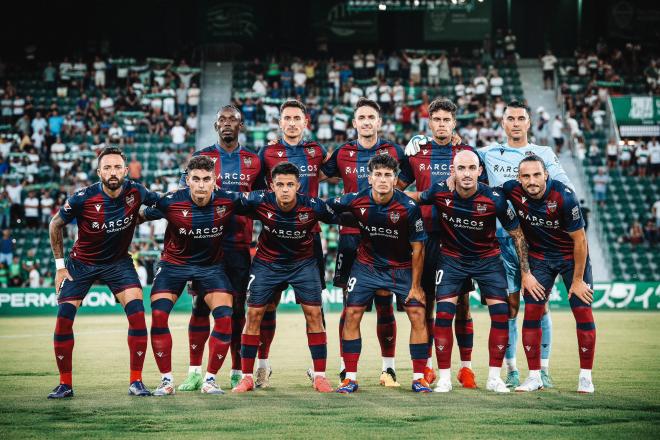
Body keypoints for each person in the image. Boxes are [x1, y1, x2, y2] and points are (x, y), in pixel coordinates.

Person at [406, 100, 573, 389]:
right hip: (493, 238)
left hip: (529, 236)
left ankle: (541, 370)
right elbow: (460, 155)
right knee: (507, 307)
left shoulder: (545, 154)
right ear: (503, 122)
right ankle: (510, 370)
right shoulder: (488, 152)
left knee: (538, 304)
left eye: (522, 118)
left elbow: (562, 189)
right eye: (511, 118)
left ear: (529, 122)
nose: (516, 123)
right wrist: (423, 140)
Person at [408, 150, 541, 393]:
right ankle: (445, 378)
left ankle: (494, 378)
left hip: (488, 261)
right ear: (453, 171)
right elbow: (415, 196)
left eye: (471, 168)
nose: (467, 173)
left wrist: (525, 273)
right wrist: (381, 192)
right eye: (461, 168)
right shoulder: (440, 191)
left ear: (480, 171)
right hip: (451, 260)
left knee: (501, 315)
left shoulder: (495, 199)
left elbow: (518, 234)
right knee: (444, 315)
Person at [47, 146, 160, 399]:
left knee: (138, 316)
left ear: (126, 170)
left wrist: (144, 215)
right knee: (64, 318)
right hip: (80, 264)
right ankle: (65, 384)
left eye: (117, 167)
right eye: (107, 167)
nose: (112, 172)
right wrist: (59, 267)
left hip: (118, 263)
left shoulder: (136, 191)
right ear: (99, 172)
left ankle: (136, 382)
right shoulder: (81, 198)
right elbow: (55, 224)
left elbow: (163, 204)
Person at [320, 97, 414, 386]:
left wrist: (387, 200)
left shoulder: (394, 151)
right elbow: (321, 171)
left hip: (386, 237)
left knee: (385, 305)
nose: (366, 122)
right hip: (351, 239)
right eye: (361, 117)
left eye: (371, 117)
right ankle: (345, 368)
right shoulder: (343, 153)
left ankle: (388, 368)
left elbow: (409, 174)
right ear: (354, 123)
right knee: (351, 306)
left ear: (379, 122)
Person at [175, 105, 264, 391]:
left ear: (241, 126)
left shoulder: (254, 160)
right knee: (200, 306)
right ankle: (194, 371)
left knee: (238, 310)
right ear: (215, 126)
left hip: (239, 246)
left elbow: (262, 200)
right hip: (205, 246)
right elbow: (184, 197)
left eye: (233, 120)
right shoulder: (202, 159)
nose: (227, 124)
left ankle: (237, 370)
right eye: (222, 120)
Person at [141, 155, 246, 395]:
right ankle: (166, 381)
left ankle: (210, 380)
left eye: (206, 179)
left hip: (210, 267)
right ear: (187, 180)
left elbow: (262, 206)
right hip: (172, 266)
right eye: (196, 179)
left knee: (224, 316)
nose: (201, 184)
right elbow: (137, 217)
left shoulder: (227, 200)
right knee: (158, 315)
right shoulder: (170, 201)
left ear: (215, 180)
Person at [327, 154, 430, 394]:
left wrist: (416, 286)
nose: (383, 179)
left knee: (417, 313)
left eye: (388, 175)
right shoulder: (356, 200)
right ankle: (349, 378)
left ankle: (418, 378)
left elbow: (418, 249)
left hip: (401, 267)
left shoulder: (408, 207)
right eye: (378, 175)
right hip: (367, 266)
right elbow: (325, 208)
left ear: (395, 179)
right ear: (370, 178)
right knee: (352, 313)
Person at [232, 163, 339, 394]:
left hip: (303, 264)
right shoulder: (260, 200)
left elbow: (342, 215)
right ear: (272, 186)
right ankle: (247, 377)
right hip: (267, 263)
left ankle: (319, 376)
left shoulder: (312, 206)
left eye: (290, 184)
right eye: (280, 184)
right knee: (254, 314)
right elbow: (228, 200)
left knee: (314, 314)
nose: (285, 189)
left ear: (298, 186)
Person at [404, 98, 486, 388]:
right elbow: (397, 190)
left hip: (458, 237)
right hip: (424, 237)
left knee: (462, 304)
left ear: (454, 123)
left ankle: (465, 367)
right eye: (436, 119)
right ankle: (426, 367)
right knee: (424, 304)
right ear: (429, 123)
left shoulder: (467, 155)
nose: (441, 124)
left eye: (446, 119)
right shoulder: (416, 153)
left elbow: (482, 191)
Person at [500, 155, 596, 393]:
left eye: (536, 175)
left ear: (546, 175)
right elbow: (483, 193)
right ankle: (534, 377)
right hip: (540, 259)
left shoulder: (565, 196)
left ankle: (586, 378)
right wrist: (526, 274)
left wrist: (576, 280)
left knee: (582, 311)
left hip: (571, 258)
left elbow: (580, 240)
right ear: (518, 178)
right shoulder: (510, 190)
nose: (531, 181)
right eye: (526, 176)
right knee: (531, 313)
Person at [255, 99, 329, 387]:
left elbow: (336, 170)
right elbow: (257, 184)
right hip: (274, 239)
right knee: (267, 305)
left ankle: (317, 369)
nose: (292, 122)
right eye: (287, 118)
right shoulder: (268, 152)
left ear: (305, 122)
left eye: (297, 118)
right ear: (280, 122)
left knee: (315, 308)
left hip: (309, 238)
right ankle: (262, 365)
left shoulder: (317, 152)